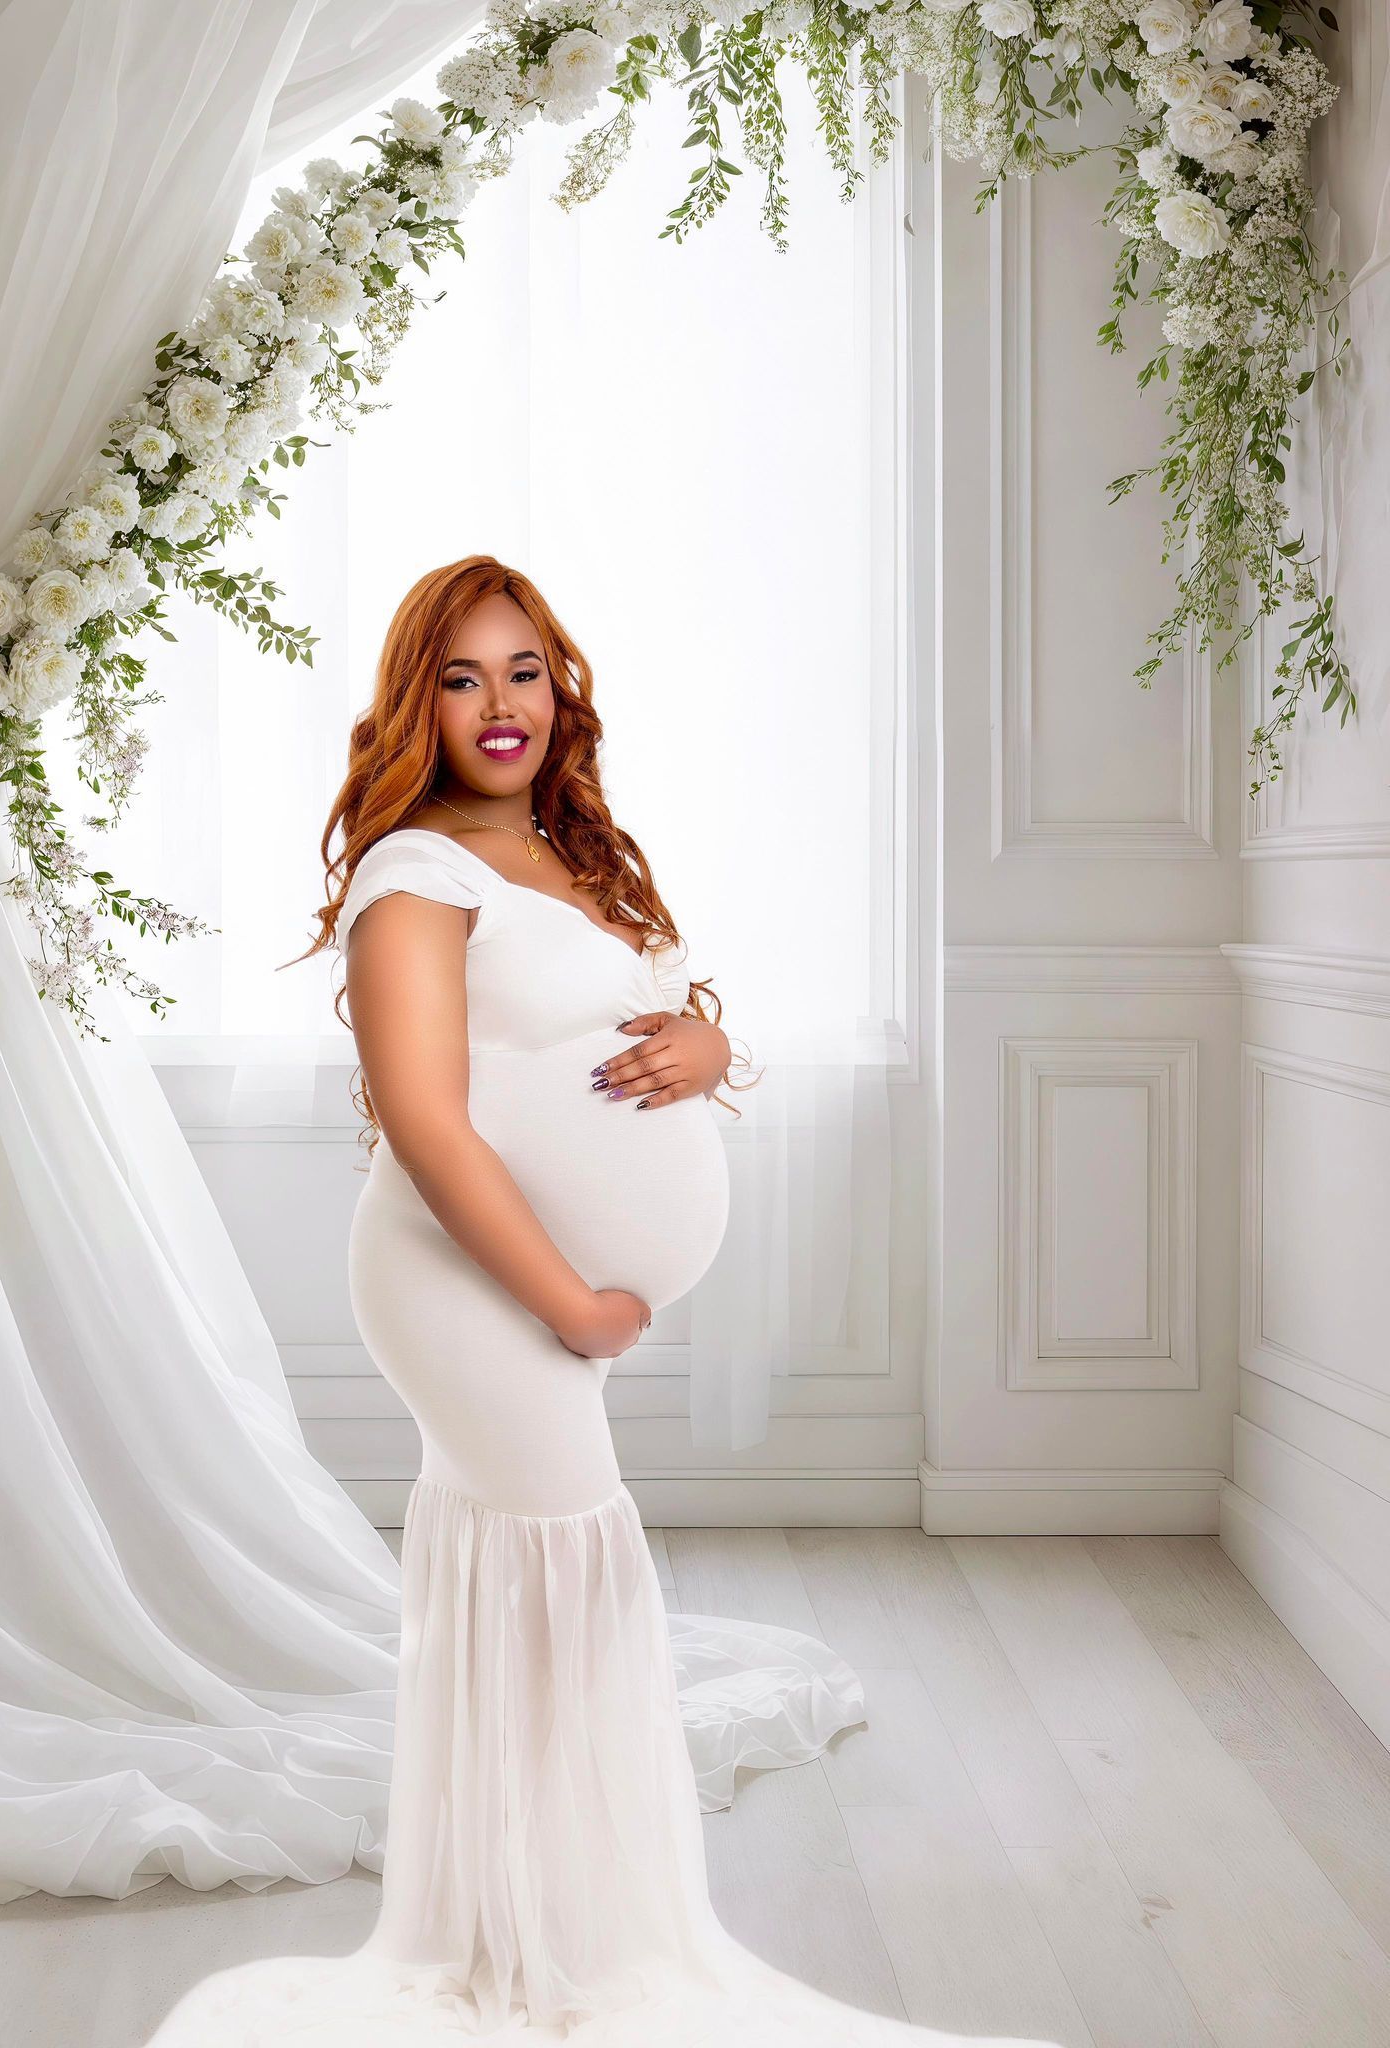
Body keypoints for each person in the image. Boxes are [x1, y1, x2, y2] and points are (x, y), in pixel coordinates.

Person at [144, 557, 1058, 2045]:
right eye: (459, 678)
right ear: (412, 708)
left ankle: (524, 1928)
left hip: (538, 1294)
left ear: (560, 684)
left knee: (513, 1586)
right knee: (572, 1569)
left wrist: (707, 1046)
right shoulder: (414, 874)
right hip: (462, 1283)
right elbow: (428, 1123)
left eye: (522, 670)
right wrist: (571, 1298)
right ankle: (565, 1961)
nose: (499, 705)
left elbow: (639, 1020)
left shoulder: (574, 854)